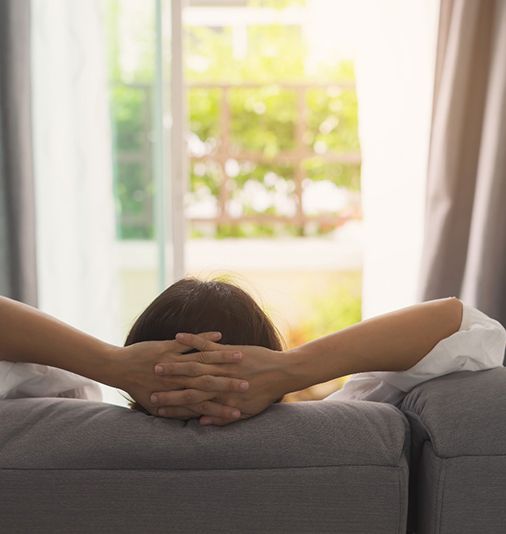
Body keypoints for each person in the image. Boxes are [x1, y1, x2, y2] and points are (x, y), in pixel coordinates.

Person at [1, 278, 505, 426]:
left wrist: (108, 364)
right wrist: (291, 370)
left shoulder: (51, 424)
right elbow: (460, 325)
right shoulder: (359, 433)